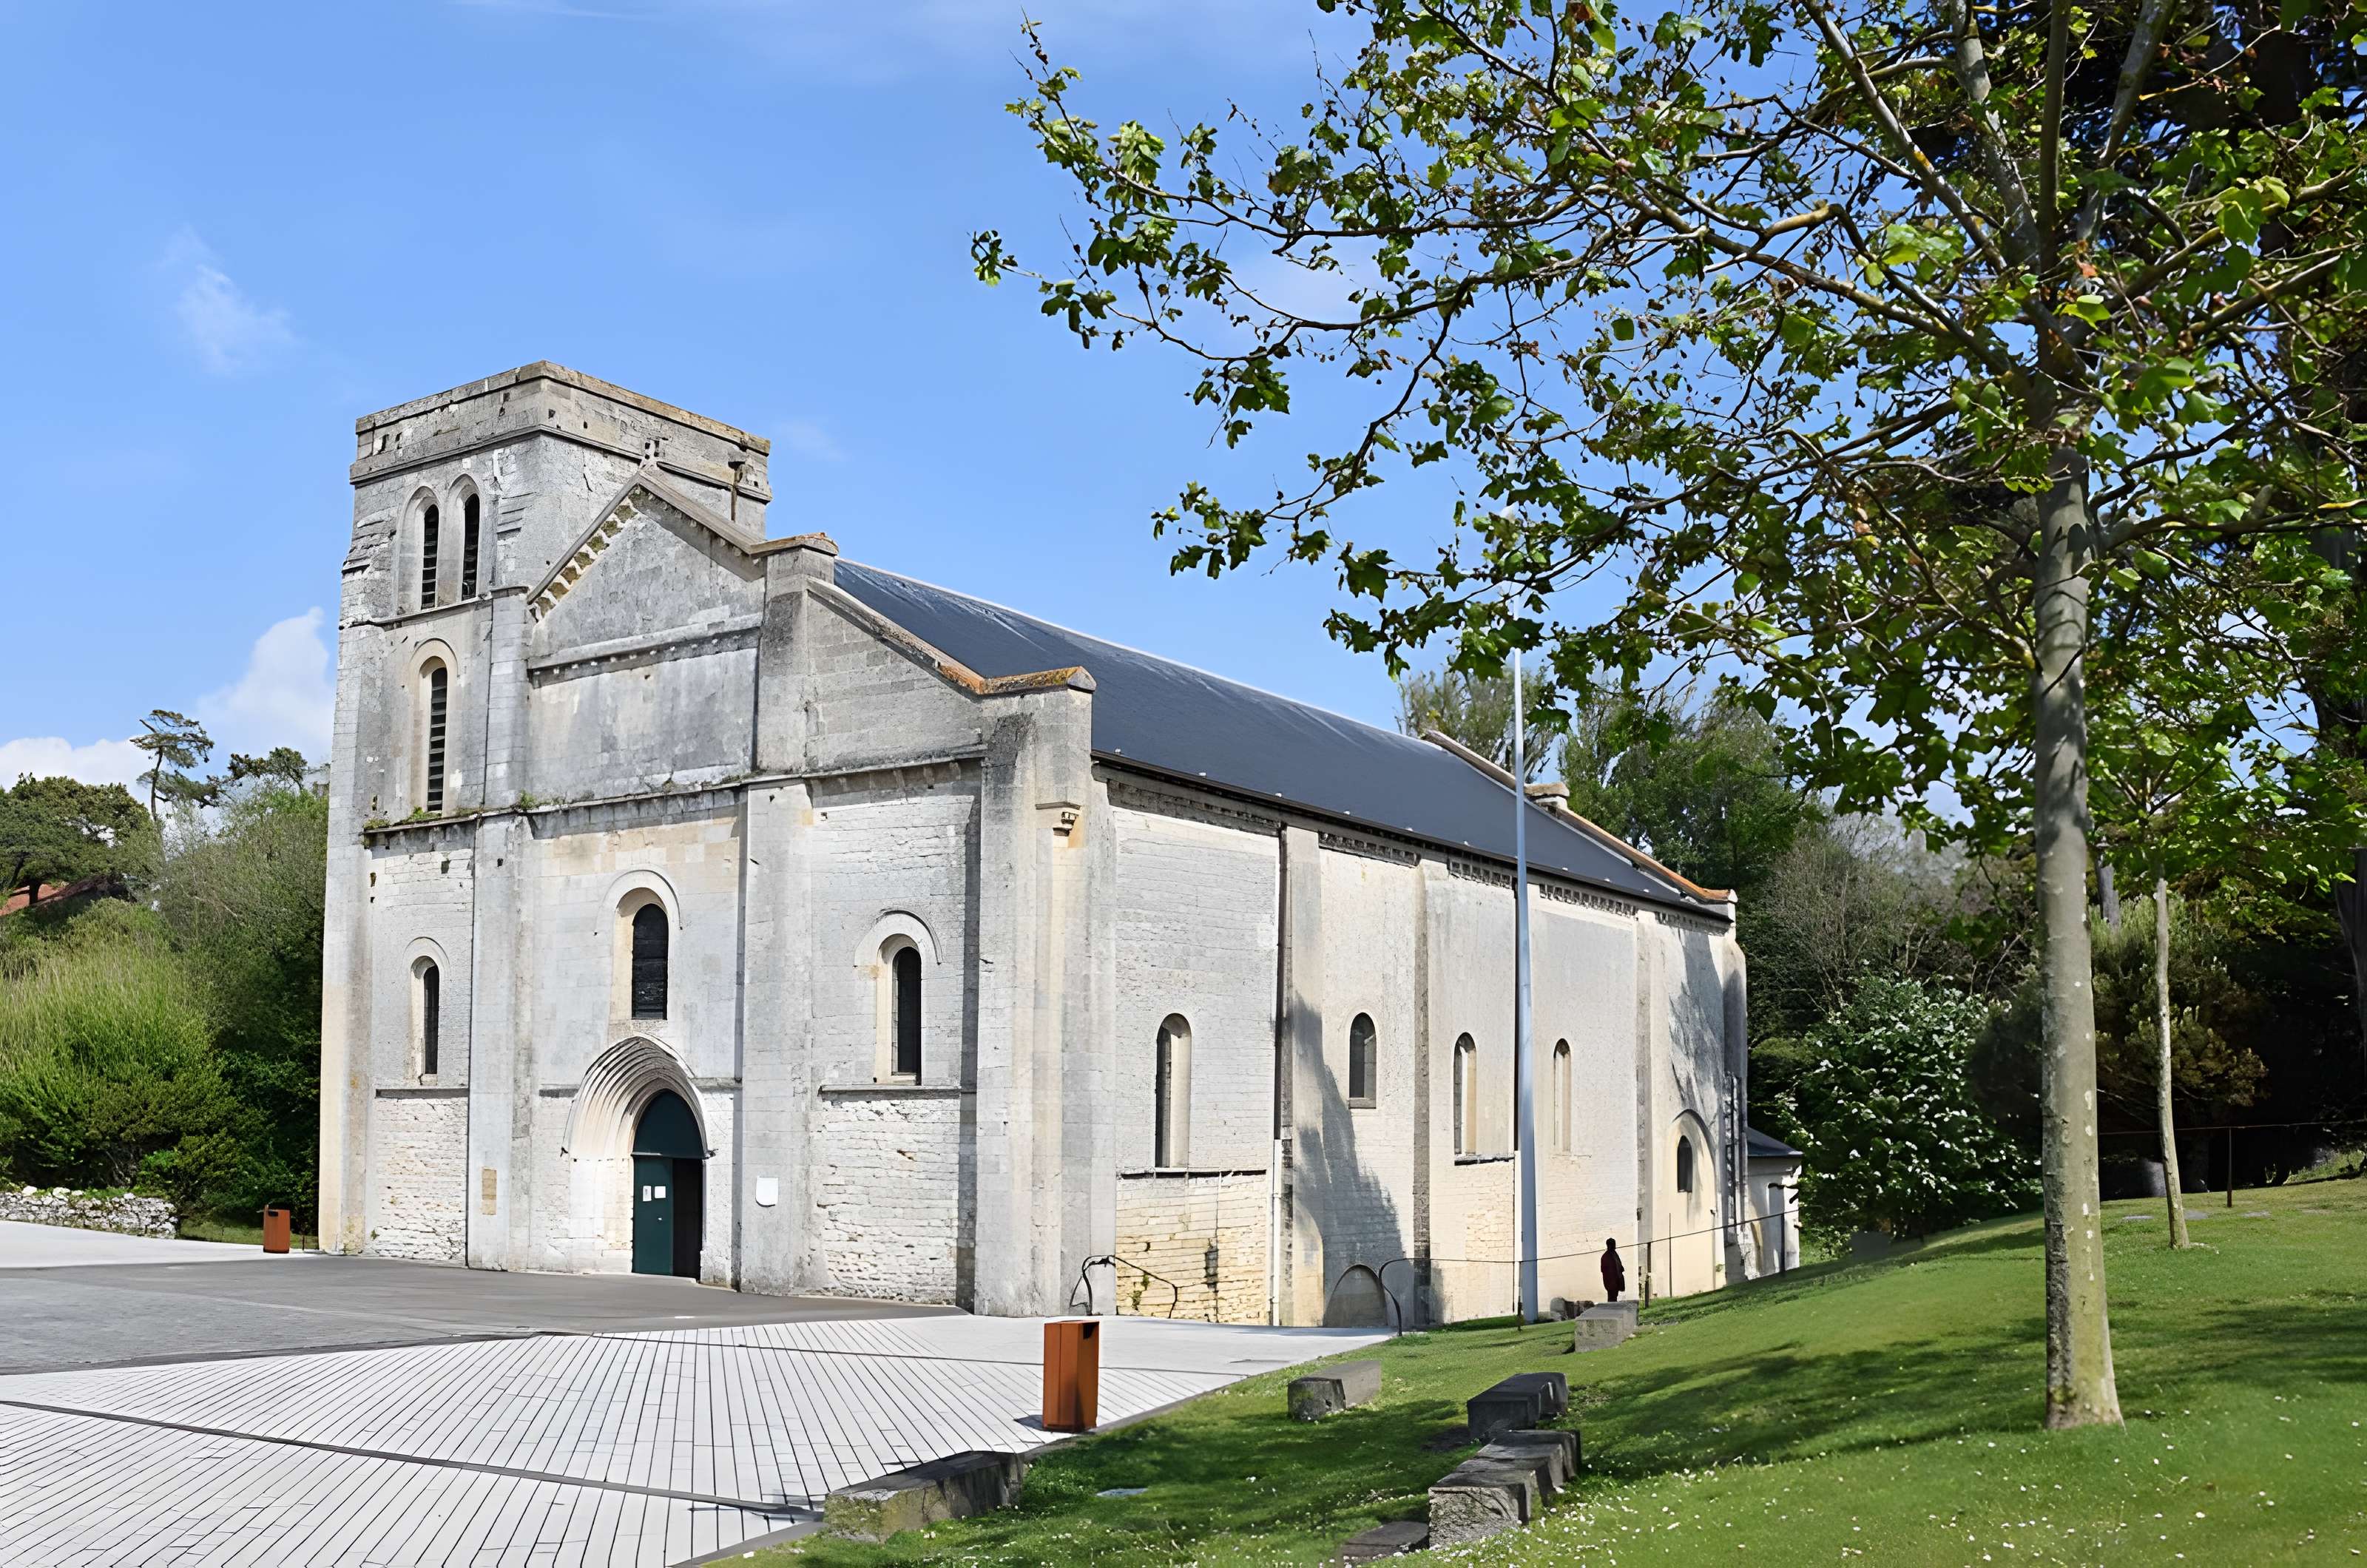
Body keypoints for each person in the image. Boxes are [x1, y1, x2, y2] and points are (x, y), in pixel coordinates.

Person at [1600, 1238, 1626, 1303]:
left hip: (1616, 1280)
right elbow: (1605, 1271)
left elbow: (1619, 1266)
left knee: (1614, 1297)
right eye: (1613, 1245)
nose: (1615, 1246)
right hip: (1611, 1282)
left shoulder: (1614, 1254)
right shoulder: (1606, 1256)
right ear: (1609, 1245)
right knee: (1612, 1298)